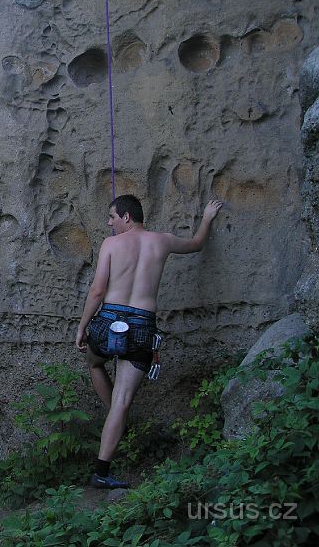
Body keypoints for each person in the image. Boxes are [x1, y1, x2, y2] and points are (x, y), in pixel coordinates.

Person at [74, 195, 223, 489]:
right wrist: (207, 217)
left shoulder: (110, 244)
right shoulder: (163, 241)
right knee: (122, 401)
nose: (109, 223)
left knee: (94, 363)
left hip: (109, 319)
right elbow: (197, 244)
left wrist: (82, 327)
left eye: (112, 217)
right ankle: (101, 470)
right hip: (142, 325)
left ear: (127, 217)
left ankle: (114, 419)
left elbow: (97, 291)